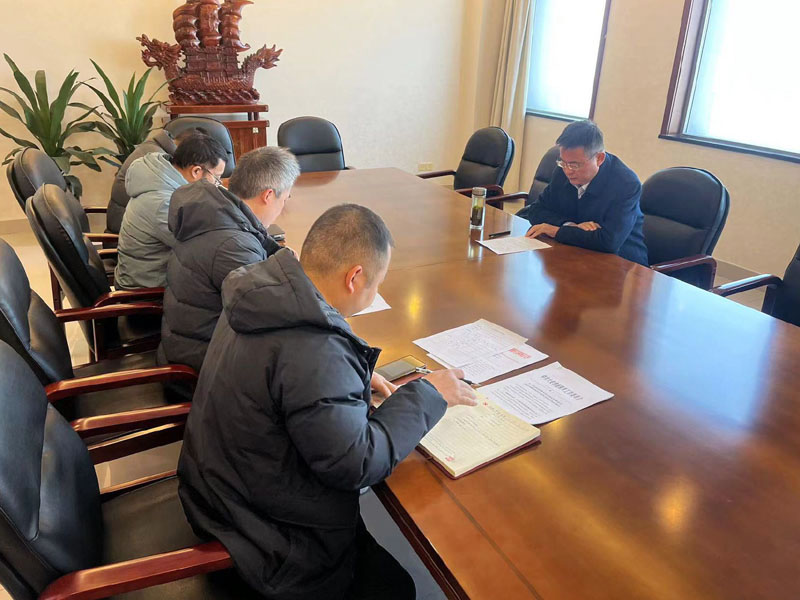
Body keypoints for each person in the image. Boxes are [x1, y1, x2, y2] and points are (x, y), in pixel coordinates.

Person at [177, 204, 478, 600]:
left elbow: (286, 377)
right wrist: (429, 394)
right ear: (354, 277)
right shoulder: (314, 350)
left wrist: (352, 372)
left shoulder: (261, 293)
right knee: (398, 588)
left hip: (217, 492)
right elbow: (357, 465)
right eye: (376, 284)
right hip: (264, 539)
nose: (374, 295)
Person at [157, 146, 300, 372]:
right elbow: (270, 316)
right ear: (268, 195)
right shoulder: (233, 246)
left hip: (191, 344)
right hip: (204, 368)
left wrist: (283, 258)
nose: (283, 207)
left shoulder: (218, 215)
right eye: (285, 198)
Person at [524, 120, 648, 266]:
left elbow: (609, 242)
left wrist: (556, 231)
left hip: (623, 265)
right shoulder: (561, 171)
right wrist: (569, 225)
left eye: (575, 165)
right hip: (577, 254)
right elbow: (535, 211)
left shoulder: (626, 184)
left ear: (599, 158)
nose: (568, 171)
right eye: (563, 162)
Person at [114, 133, 228, 289]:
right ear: (196, 171)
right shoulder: (164, 203)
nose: (217, 185)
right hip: (146, 292)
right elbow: (200, 247)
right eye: (217, 178)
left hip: (153, 277)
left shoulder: (161, 181)